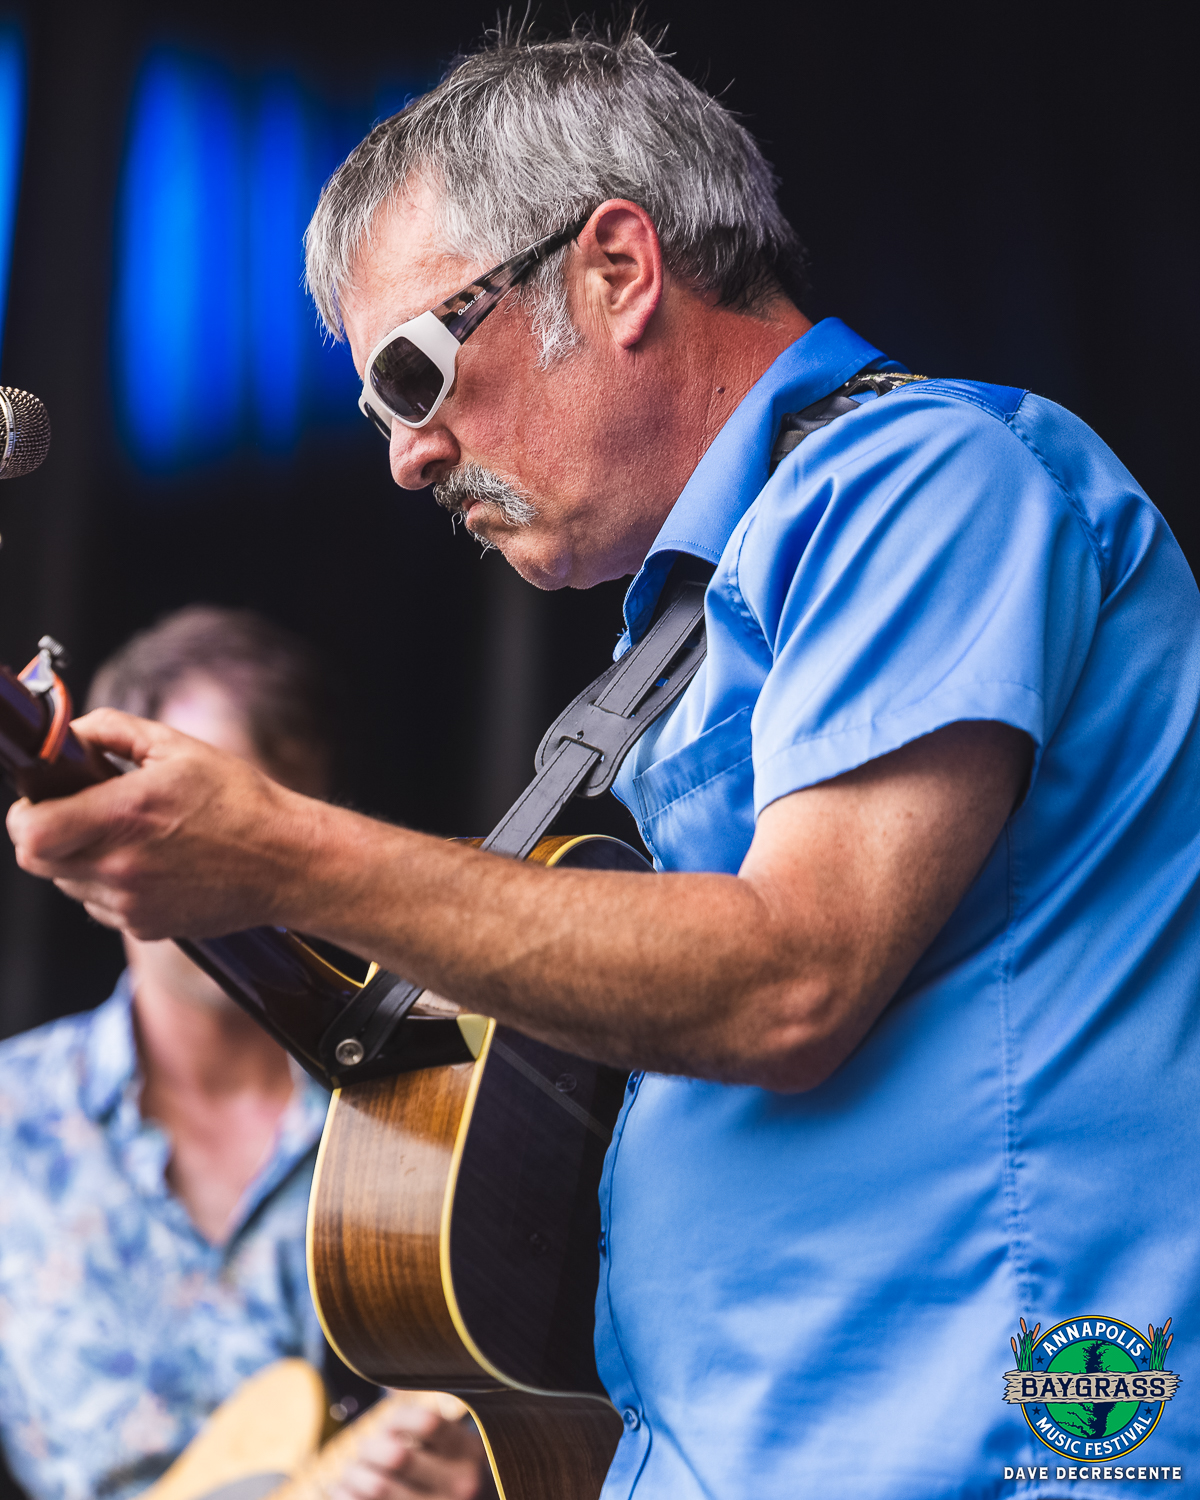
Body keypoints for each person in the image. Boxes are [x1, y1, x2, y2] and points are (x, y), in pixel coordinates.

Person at [8, 25, 1200, 1498]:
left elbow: (792, 980)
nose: (406, 456)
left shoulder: (926, 482)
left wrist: (279, 853)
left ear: (618, 270)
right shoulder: (694, 624)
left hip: (965, 1443)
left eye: (413, 368)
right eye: (379, 406)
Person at [0, 608, 489, 1500]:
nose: (239, 866)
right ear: (96, 825)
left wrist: (488, 1476)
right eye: (194, 823)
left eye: (271, 825)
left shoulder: (432, 1115)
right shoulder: (9, 1116)